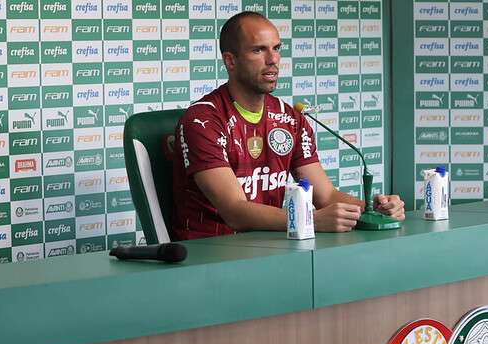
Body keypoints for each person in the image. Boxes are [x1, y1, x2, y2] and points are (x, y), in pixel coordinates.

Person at [171, 11, 404, 241]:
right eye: (258, 50)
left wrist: (373, 209)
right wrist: (308, 220)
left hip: (269, 247)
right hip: (208, 253)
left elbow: (326, 196)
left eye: (276, 48)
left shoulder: (289, 117)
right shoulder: (202, 120)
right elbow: (235, 211)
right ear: (230, 60)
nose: (272, 59)